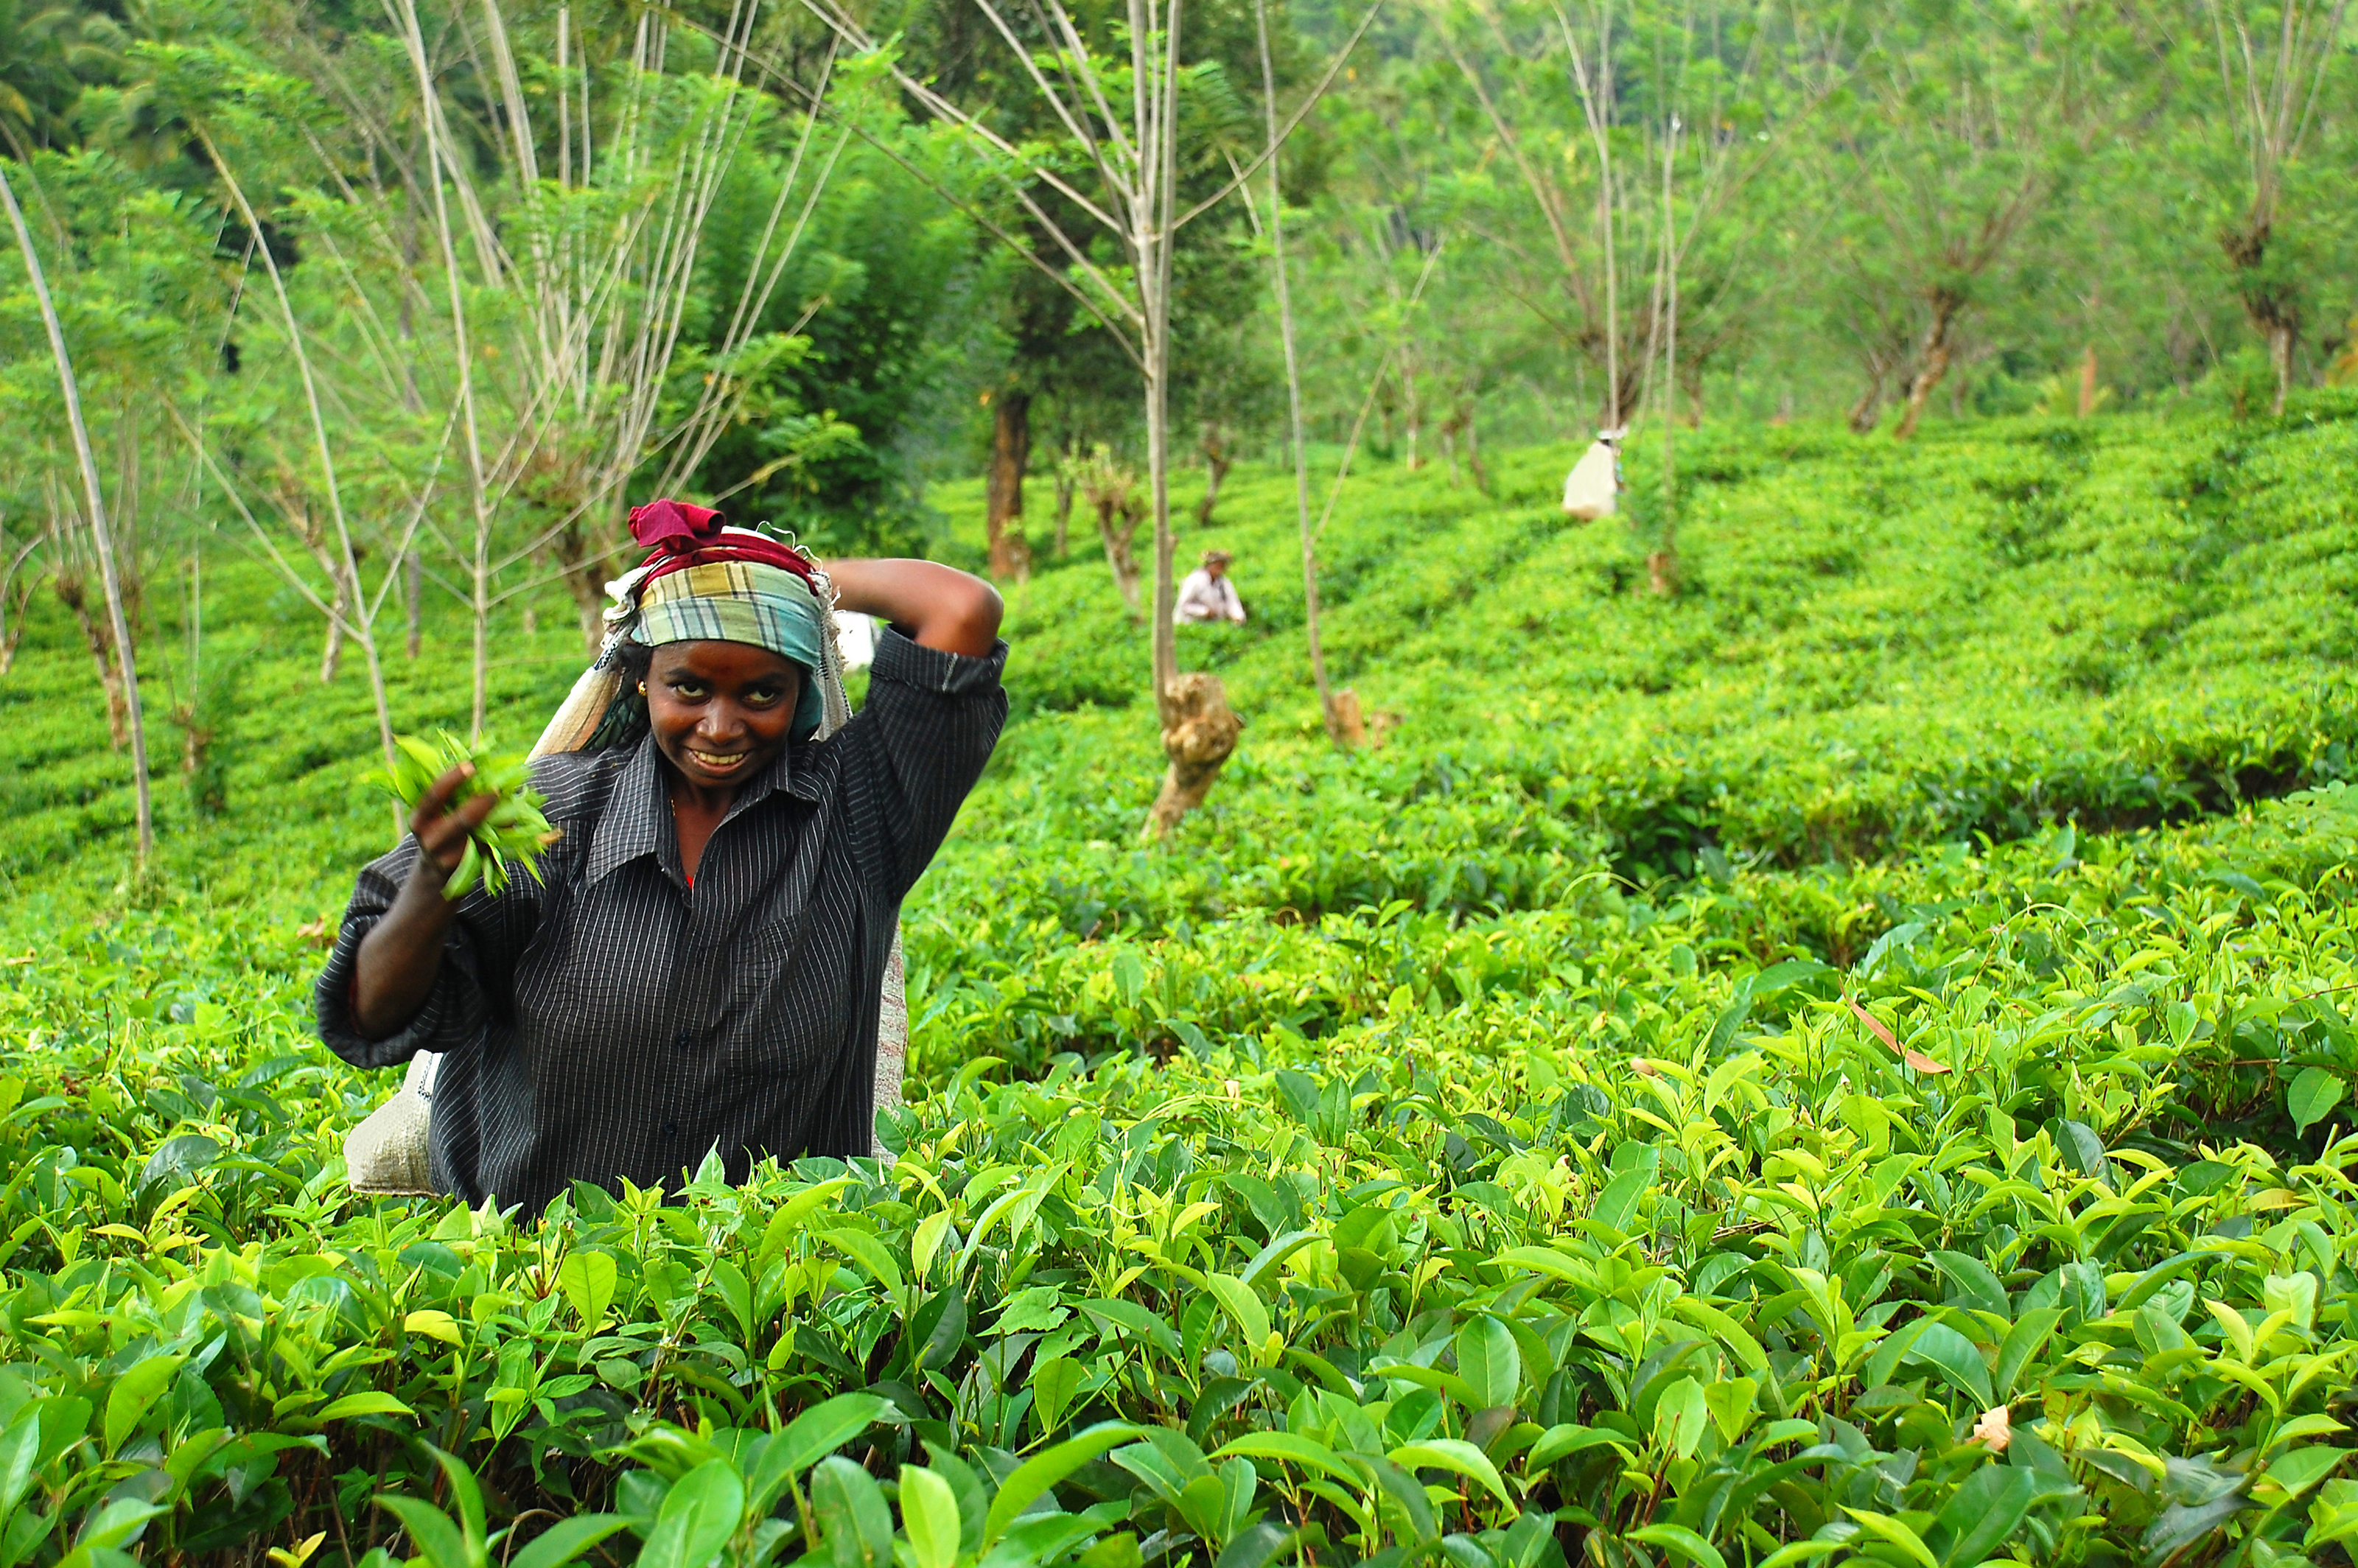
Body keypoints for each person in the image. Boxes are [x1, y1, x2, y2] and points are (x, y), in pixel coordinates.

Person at [315, 499, 1006, 1214]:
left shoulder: (858, 815)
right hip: (536, 1287)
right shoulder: (547, 817)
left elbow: (959, 607)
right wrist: (432, 883)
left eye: (761, 692)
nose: (720, 724)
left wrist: (781, 571)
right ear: (644, 678)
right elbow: (371, 1014)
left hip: (763, 1289)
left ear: (801, 689)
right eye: (689, 687)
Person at [1174, 549, 1247, 625]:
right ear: (1209, 565)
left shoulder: (1224, 583)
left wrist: (1238, 617)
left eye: (1222, 566)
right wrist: (1205, 612)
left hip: (1212, 623)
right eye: (1217, 566)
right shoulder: (1195, 581)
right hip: (1189, 622)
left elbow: (1232, 601)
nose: (1219, 569)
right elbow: (1184, 605)